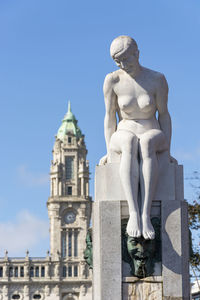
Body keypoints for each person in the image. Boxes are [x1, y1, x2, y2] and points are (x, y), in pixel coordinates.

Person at [99, 35, 172, 240]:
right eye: (117, 61)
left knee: (147, 142)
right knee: (129, 142)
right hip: (123, 132)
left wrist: (168, 149)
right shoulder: (112, 80)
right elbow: (109, 117)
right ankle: (133, 213)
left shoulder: (157, 79)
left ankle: (145, 214)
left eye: (126, 59)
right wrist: (108, 151)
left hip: (152, 132)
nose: (123, 65)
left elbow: (164, 115)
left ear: (137, 54)